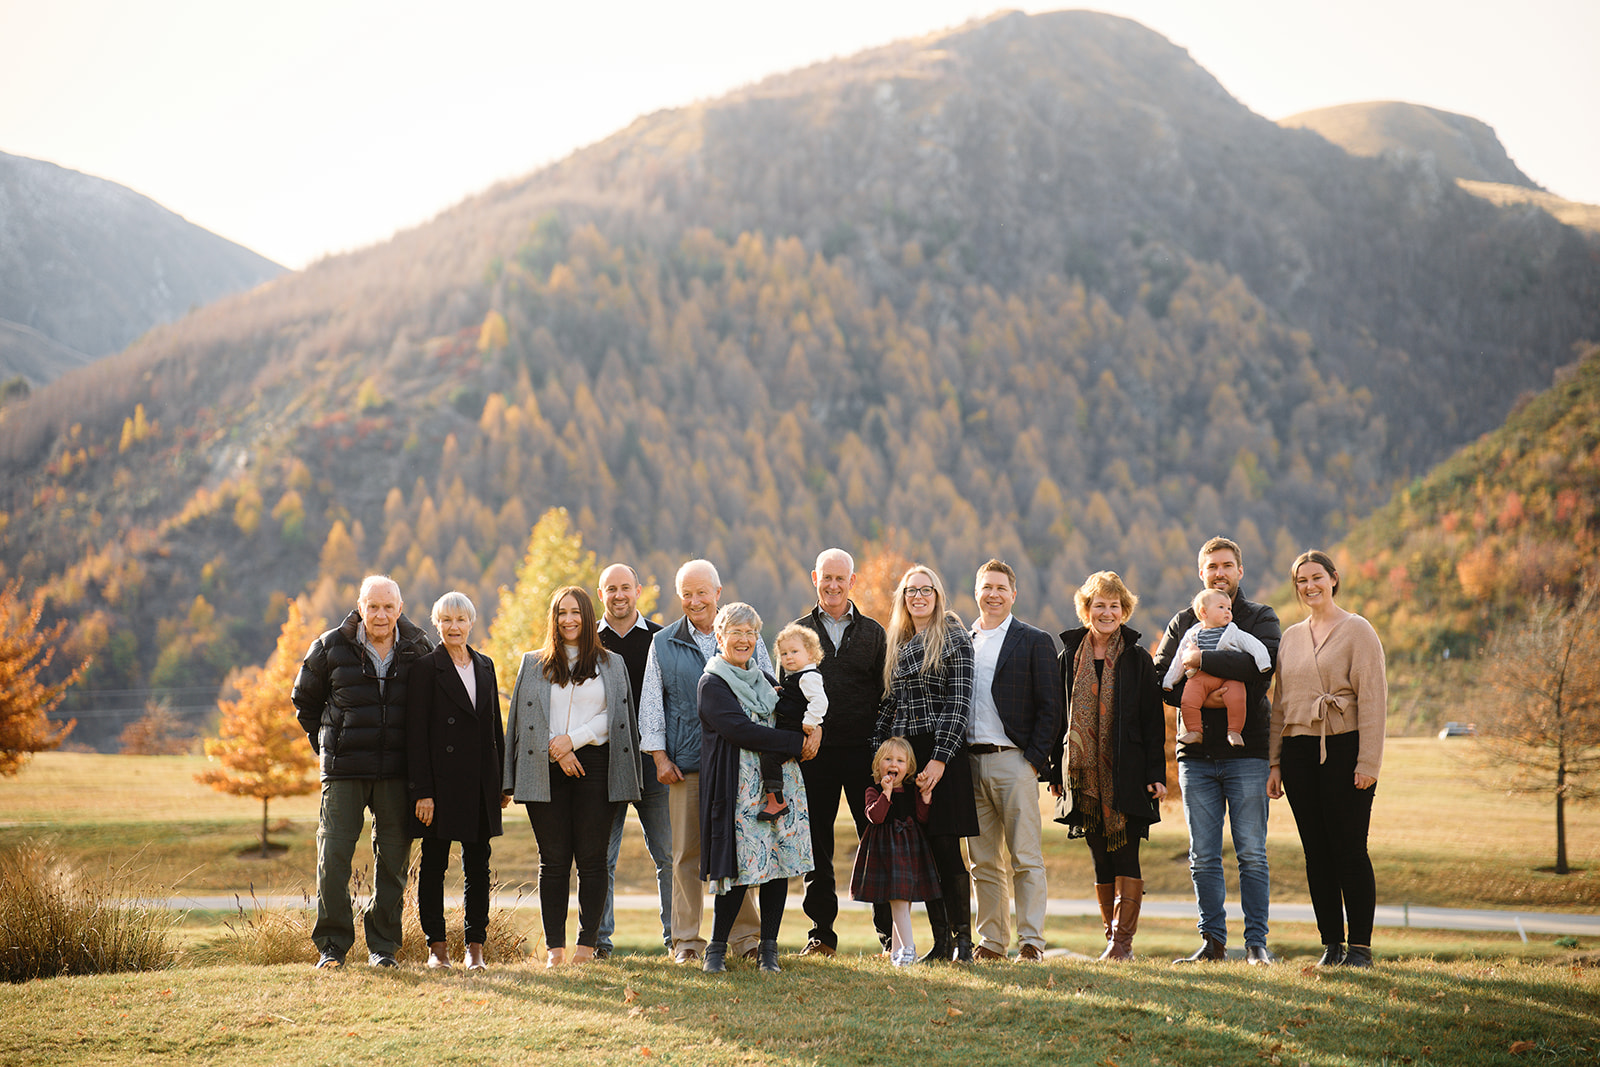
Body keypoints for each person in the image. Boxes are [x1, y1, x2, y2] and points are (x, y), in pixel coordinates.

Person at [1153, 536, 1281, 965]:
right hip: (1195, 757)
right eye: (1212, 567)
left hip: (1248, 753)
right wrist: (1215, 692)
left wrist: (1200, 665)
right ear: (1201, 573)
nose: (1220, 573)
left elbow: (1259, 673)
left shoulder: (1259, 617)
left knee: (1251, 852)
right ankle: (1212, 942)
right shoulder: (1183, 621)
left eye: (1227, 565)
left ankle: (1256, 944)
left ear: (1240, 571)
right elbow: (1164, 681)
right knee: (1203, 854)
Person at [293, 574, 432, 969]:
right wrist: (324, 745)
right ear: (360, 607)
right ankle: (333, 947)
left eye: (389, 606)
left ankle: (383, 948)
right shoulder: (329, 646)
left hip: (397, 774)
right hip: (343, 772)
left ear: (400, 609)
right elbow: (304, 700)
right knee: (333, 856)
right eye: (373, 606)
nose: (381, 614)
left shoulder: (419, 647)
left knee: (393, 863)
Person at [639, 560, 770, 963]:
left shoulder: (744, 634)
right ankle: (686, 943)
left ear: (718, 591)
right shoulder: (662, 642)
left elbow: (767, 689)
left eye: (702, 592)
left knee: (742, 850)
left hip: (739, 764)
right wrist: (660, 757)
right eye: (687, 594)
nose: (695, 601)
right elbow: (651, 705)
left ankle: (747, 940)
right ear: (680, 597)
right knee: (686, 855)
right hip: (686, 765)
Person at [503, 586, 640, 967]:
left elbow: (616, 718)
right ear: (553, 617)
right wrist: (555, 749)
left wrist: (572, 741)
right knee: (554, 861)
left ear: (588, 617)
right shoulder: (533, 663)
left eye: (576, 612)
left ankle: (586, 947)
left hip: (596, 767)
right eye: (561, 612)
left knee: (594, 861)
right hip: (544, 769)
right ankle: (555, 951)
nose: (568, 619)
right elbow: (522, 720)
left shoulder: (612, 664)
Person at [1267, 550, 1388, 969]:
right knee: (1316, 852)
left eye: (1316, 577)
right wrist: (1275, 763)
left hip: (1344, 747)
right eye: (1301, 580)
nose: (1309, 586)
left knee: (1349, 849)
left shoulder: (1358, 631)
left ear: (1334, 579)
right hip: (1300, 751)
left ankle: (1360, 948)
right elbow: (1280, 704)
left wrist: (1367, 762)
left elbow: (1373, 699)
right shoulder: (1292, 637)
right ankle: (1332, 945)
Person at [1049, 571, 1167, 961]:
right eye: (1099, 605)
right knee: (1100, 856)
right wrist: (1054, 772)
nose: (1106, 612)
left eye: (1114, 606)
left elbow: (1153, 722)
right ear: (1087, 609)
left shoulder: (1136, 657)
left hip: (1127, 774)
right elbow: (1058, 718)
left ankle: (1123, 944)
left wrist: (1156, 775)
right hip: (1082, 776)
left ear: (1124, 610)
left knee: (1126, 853)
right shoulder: (1069, 656)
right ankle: (1110, 938)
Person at [786, 548, 893, 959]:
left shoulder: (873, 633)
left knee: (877, 838)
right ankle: (821, 936)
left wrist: (883, 752)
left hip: (864, 754)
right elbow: (789, 697)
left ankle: (889, 937)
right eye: (825, 577)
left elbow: (886, 695)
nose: (832, 585)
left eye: (840, 578)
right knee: (817, 845)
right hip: (816, 757)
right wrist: (803, 735)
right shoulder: (797, 633)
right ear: (815, 577)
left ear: (853, 581)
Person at [697, 602, 812, 974]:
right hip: (738, 787)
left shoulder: (764, 677)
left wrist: (815, 727)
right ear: (720, 637)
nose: (744, 639)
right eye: (736, 632)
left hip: (778, 784)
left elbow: (792, 710)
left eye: (751, 632)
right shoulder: (712, 683)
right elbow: (739, 730)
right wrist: (793, 743)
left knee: (776, 864)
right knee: (738, 871)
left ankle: (769, 949)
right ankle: (715, 950)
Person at [875, 565, 978, 963]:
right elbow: (889, 706)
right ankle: (941, 942)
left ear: (937, 595)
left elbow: (958, 704)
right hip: (905, 754)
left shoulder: (954, 638)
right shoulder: (897, 644)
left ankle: (963, 942)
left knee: (947, 849)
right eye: (910, 591)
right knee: (924, 854)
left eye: (926, 589)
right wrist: (880, 756)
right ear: (903, 598)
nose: (918, 597)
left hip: (942, 752)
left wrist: (938, 760)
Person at [406, 591, 509, 971]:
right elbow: (415, 736)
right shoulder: (424, 668)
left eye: (460, 620)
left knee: (478, 867)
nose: (453, 627)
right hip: (439, 785)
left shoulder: (485, 665)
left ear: (471, 623)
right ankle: (437, 948)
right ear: (437, 624)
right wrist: (423, 792)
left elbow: (494, 728)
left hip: (480, 783)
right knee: (434, 865)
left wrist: (502, 783)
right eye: (446, 620)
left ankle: (475, 948)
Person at [966, 559, 1061, 963]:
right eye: (987, 587)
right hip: (969, 764)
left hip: (1014, 762)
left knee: (1025, 857)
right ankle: (990, 942)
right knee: (982, 862)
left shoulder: (1033, 640)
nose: (993, 594)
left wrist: (1034, 762)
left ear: (1014, 594)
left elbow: (1052, 708)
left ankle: (1031, 942)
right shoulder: (962, 639)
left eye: (1001, 588)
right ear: (976, 592)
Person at [594, 563, 670, 960]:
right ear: (600, 592)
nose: (619, 595)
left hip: (654, 762)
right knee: (601, 858)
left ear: (638, 590)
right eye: (611, 588)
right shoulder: (588, 640)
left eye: (625, 587)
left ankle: (679, 942)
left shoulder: (662, 638)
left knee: (669, 856)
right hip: (604, 767)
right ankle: (599, 943)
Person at [850, 736, 940, 967]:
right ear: (878, 764)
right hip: (885, 851)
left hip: (909, 849)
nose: (894, 764)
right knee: (897, 899)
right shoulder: (873, 790)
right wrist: (886, 792)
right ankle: (908, 949)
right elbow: (876, 816)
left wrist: (925, 795)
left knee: (903, 900)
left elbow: (922, 817)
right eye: (888, 759)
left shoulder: (911, 790)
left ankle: (898, 952)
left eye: (900, 760)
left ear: (908, 767)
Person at [1163, 588, 1273, 748]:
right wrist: (1169, 680)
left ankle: (1234, 731)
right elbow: (1179, 658)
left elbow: (1254, 645)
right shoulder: (1192, 634)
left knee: (1237, 698)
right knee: (1188, 700)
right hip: (1199, 677)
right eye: (1221, 607)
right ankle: (1194, 731)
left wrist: (1263, 663)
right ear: (1204, 612)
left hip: (1229, 676)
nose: (1227, 611)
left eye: (1229, 608)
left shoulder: (1233, 632)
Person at [757, 623, 828, 821]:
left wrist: (810, 722)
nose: (788, 657)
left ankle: (776, 802)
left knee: (770, 758)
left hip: (796, 732)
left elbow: (820, 701)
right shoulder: (797, 678)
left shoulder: (808, 677)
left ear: (811, 654)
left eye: (794, 652)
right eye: (784, 653)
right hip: (789, 731)